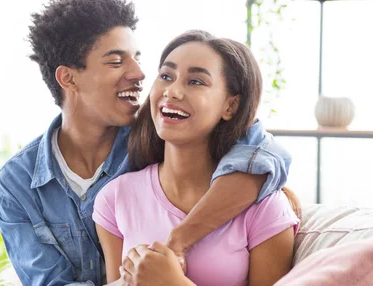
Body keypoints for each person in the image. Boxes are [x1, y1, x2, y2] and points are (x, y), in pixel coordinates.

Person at [0, 0, 292, 285]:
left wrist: (177, 244)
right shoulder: (17, 183)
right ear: (68, 79)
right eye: (115, 61)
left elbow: (264, 158)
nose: (139, 74)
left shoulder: (166, 134)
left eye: (137, 58)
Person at [93, 30, 301, 286]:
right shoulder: (115, 198)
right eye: (166, 77)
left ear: (230, 106)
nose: (173, 91)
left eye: (196, 82)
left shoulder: (265, 208)